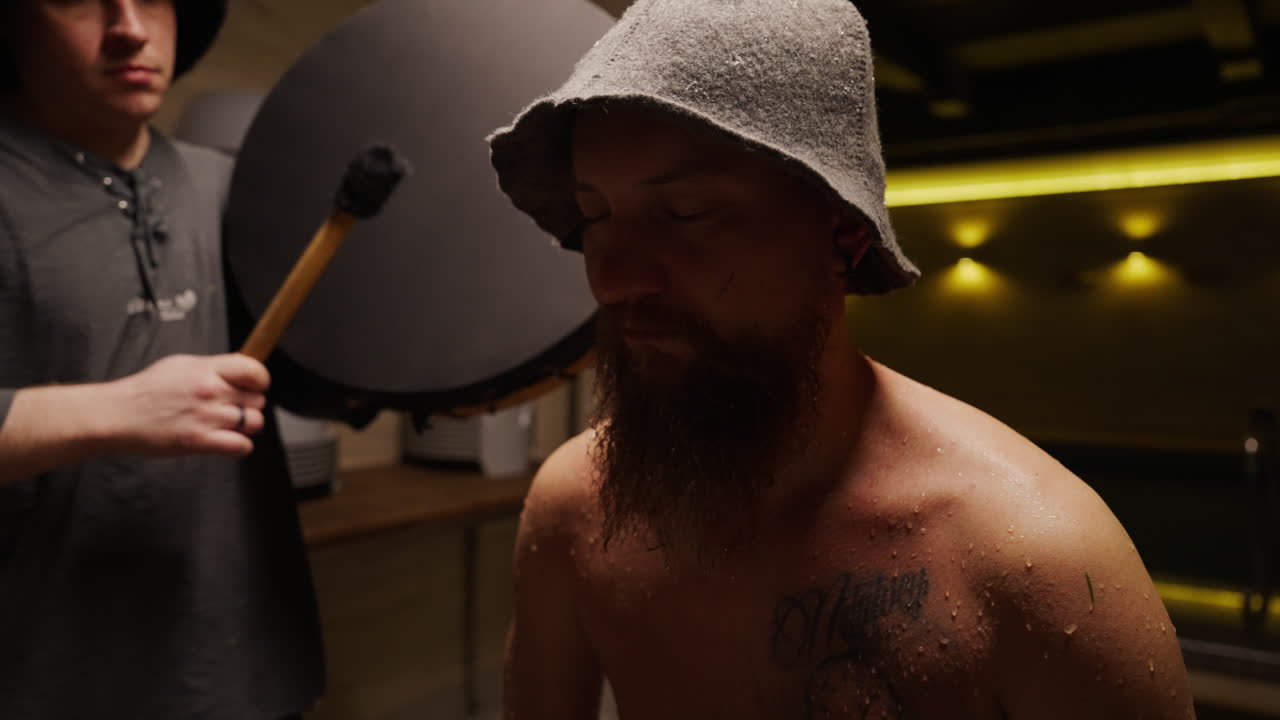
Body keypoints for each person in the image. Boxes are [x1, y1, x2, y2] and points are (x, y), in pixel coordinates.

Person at [487, 0, 1194, 717]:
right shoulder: (574, 510)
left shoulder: (1037, 563)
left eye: (688, 211)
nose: (613, 277)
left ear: (844, 232)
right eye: (596, 215)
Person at [0, 1, 324, 717]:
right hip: (49, 677)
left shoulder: (232, 185)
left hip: (248, 667)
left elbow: (308, 377)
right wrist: (116, 410)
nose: (129, 27)